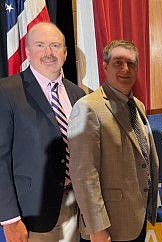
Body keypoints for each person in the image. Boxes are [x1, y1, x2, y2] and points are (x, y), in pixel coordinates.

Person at [0, 22, 85, 241]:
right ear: (27, 52)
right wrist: (10, 220)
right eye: (40, 45)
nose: (48, 52)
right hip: (32, 217)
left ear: (65, 53)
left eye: (55, 46)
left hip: (75, 208)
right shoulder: (7, 91)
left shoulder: (77, 94)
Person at [67, 40, 159, 242]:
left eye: (131, 63)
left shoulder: (138, 106)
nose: (125, 69)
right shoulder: (87, 107)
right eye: (118, 62)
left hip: (136, 220)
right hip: (107, 228)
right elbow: (84, 174)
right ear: (105, 66)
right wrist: (97, 228)